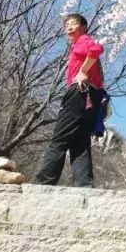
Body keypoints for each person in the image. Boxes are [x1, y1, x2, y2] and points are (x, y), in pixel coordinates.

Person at [34, 13, 105, 187]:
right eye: (67, 26)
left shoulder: (84, 41)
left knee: (60, 138)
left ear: (84, 27)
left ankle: (43, 183)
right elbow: (99, 71)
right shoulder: (80, 45)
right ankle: (84, 186)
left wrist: (82, 72)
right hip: (92, 96)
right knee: (80, 143)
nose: (69, 28)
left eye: (73, 24)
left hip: (79, 92)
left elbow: (96, 48)